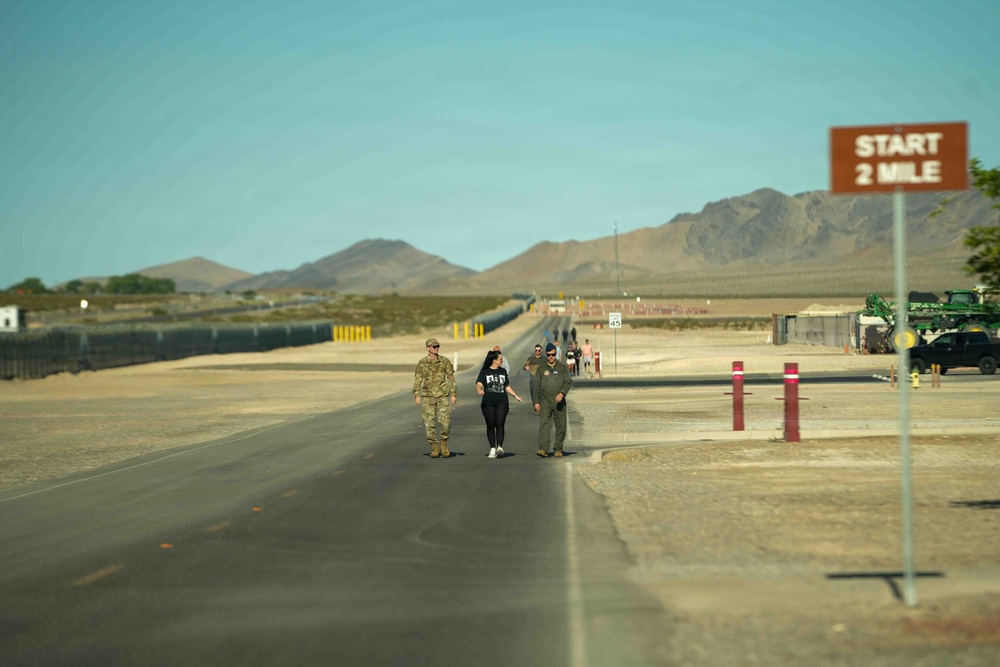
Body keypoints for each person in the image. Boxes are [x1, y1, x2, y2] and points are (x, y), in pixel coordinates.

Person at [413, 337, 457, 458]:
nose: (437, 348)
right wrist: (416, 394)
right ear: (428, 348)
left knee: (445, 422)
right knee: (429, 422)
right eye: (434, 346)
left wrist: (453, 394)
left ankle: (444, 444)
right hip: (428, 396)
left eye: (438, 346)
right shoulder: (422, 363)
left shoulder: (444, 361)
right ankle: (434, 446)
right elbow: (418, 380)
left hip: (442, 396)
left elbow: (451, 378)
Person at [476, 349, 522, 459]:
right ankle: (492, 448)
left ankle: (499, 447)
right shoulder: (485, 371)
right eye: (500, 359)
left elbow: (506, 386)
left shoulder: (503, 371)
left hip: (502, 402)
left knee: (500, 423)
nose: (502, 361)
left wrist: (515, 395)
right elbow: (479, 383)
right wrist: (479, 390)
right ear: (494, 360)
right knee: (490, 424)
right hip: (488, 403)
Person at [532, 342, 573, 458]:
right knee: (544, 424)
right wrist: (536, 402)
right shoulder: (541, 369)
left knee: (561, 425)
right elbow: (536, 386)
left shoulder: (562, 368)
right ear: (546, 354)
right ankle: (543, 449)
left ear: (556, 354)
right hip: (545, 400)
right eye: (549, 355)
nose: (551, 357)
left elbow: (568, 381)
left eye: (553, 354)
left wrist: (562, 393)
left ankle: (558, 448)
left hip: (559, 401)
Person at [523, 344, 544, 415]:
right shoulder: (531, 358)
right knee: (533, 392)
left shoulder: (544, 359)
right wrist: (525, 367)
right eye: (536, 350)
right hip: (533, 378)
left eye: (539, 350)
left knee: (541, 393)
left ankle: (540, 407)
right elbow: (525, 366)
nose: (537, 352)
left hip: (541, 378)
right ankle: (535, 405)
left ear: (541, 351)